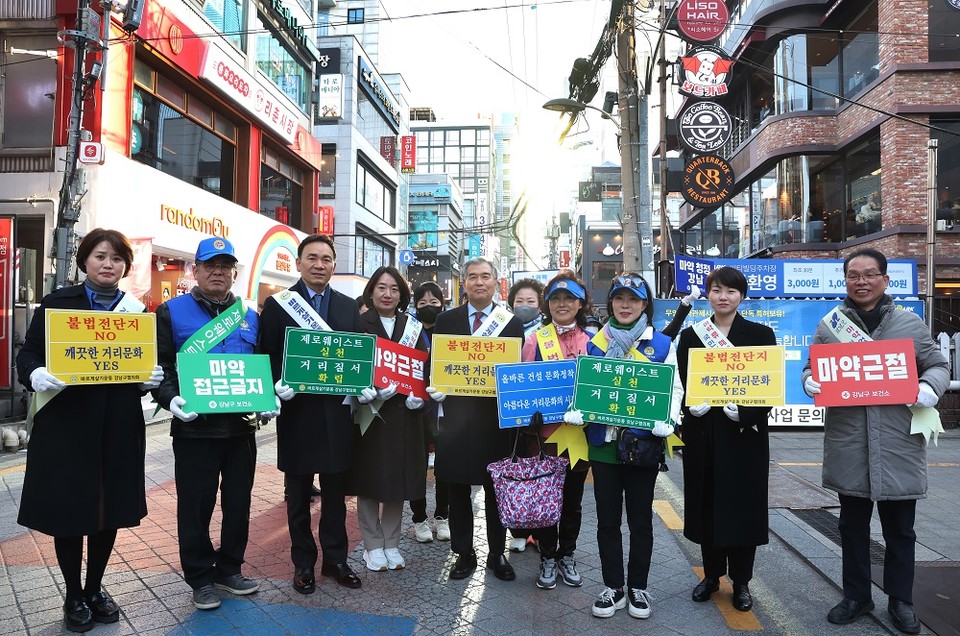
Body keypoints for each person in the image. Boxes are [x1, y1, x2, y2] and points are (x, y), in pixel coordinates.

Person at [16, 228, 162, 633]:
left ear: (125, 267)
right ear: (84, 261)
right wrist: (35, 372)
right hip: (67, 424)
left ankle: (95, 588)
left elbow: (139, 364)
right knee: (71, 510)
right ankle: (73, 593)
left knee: (108, 508)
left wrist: (147, 378)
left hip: (118, 424)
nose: (108, 265)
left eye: (116, 259)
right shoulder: (57, 303)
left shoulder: (135, 312)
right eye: (100, 256)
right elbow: (27, 352)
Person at [801, 248, 949, 634]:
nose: (861, 281)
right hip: (850, 444)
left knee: (900, 531)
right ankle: (857, 596)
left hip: (898, 443)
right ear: (845, 280)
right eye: (853, 275)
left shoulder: (909, 324)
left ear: (885, 280)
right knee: (851, 527)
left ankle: (901, 600)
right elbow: (810, 367)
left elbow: (938, 364)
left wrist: (929, 387)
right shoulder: (830, 326)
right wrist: (807, 382)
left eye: (869, 274)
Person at [153, 237, 275, 611]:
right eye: (210, 265)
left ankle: (229, 569)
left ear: (234, 273)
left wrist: (267, 399)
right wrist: (170, 399)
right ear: (196, 270)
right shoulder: (170, 312)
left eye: (225, 266)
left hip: (240, 429)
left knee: (238, 503)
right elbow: (160, 368)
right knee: (195, 506)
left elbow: (260, 365)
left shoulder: (250, 316)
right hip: (195, 430)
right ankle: (200, 578)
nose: (218, 271)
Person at [564, 273, 682, 620]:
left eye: (633, 299)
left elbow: (674, 389)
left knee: (641, 522)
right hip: (603, 445)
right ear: (611, 303)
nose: (626, 305)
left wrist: (669, 420)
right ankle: (613, 587)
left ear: (645, 304)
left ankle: (638, 588)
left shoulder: (660, 344)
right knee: (606, 521)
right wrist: (577, 409)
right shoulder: (595, 343)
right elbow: (582, 385)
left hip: (643, 445)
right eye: (619, 298)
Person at [257, 234, 364, 593]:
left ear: (335, 265)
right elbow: (266, 354)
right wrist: (276, 384)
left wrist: (364, 383)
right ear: (299, 263)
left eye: (327, 259)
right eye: (312, 258)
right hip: (298, 415)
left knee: (336, 498)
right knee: (299, 497)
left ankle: (336, 561)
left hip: (337, 417)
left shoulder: (350, 308)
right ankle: (303, 563)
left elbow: (361, 357)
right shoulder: (278, 305)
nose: (320, 265)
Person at [676, 266, 777, 613]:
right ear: (707, 294)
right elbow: (683, 385)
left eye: (731, 291)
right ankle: (711, 576)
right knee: (708, 507)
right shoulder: (692, 336)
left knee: (742, 508)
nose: (723, 297)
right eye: (717, 290)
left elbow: (768, 388)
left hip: (744, 437)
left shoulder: (761, 334)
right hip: (704, 435)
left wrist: (747, 413)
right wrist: (693, 409)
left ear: (742, 296)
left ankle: (742, 582)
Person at [426, 257, 525, 581]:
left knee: (497, 492)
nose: (479, 282)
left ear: (496, 282)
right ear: (463, 283)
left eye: (485, 277)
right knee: (456, 490)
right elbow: (435, 365)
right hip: (455, 422)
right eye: (472, 277)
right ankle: (464, 553)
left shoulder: (510, 324)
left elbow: (517, 376)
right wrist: (434, 390)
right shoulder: (446, 320)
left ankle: (497, 553)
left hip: (494, 425)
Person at [348, 266, 427, 572]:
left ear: (402, 294)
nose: (387, 294)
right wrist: (363, 391)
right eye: (381, 287)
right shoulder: (359, 323)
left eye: (394, 289)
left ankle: (391, 543)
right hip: (369, 415)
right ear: (372, 291)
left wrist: (420, 395)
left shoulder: (412, 327)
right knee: (368, 480)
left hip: (404, 417)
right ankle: (371, 545)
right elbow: (351, 365)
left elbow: (423, 368)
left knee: (397, 480)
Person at [520, 272, 593, 590]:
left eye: (569, 298)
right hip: (546, 437)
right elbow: (523, 386)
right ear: (547, 305)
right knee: (547, 498)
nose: (562, 304)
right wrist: (528, 416)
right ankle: (548, 556)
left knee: (573, 500)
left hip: (578, 435)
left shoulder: (593, 340)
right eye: (555, 299)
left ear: (580, 303)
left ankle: (567, 554)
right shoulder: (535, 340)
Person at [408, 282, 450, 543]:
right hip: (415, 411)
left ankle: (443, 516)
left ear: (442, 304)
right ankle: (419, 518)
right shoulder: (410, 332)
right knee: (417, 466)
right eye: (422, 303)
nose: (428, 307)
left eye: (434, 302)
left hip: (445, 412)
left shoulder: (450, 331)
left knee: (446, 465)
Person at [506, 277, 546, 551]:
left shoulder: (548, 332)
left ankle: (541, 530)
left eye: (530, 301)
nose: (524, 306)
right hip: (510, 416)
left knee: (541, 474)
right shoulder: (502, 329)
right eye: (519, 301)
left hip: (542, 417)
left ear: (540, 304)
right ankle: (517, 531)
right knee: (515, 473)